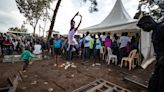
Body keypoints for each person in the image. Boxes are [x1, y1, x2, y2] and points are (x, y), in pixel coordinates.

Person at [137, 16, 164, 92]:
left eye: (143, 27)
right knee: (153, 83)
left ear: (148, 23)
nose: (143, 30)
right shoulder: (154, 32)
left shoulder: (162, 28)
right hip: (160, 63)